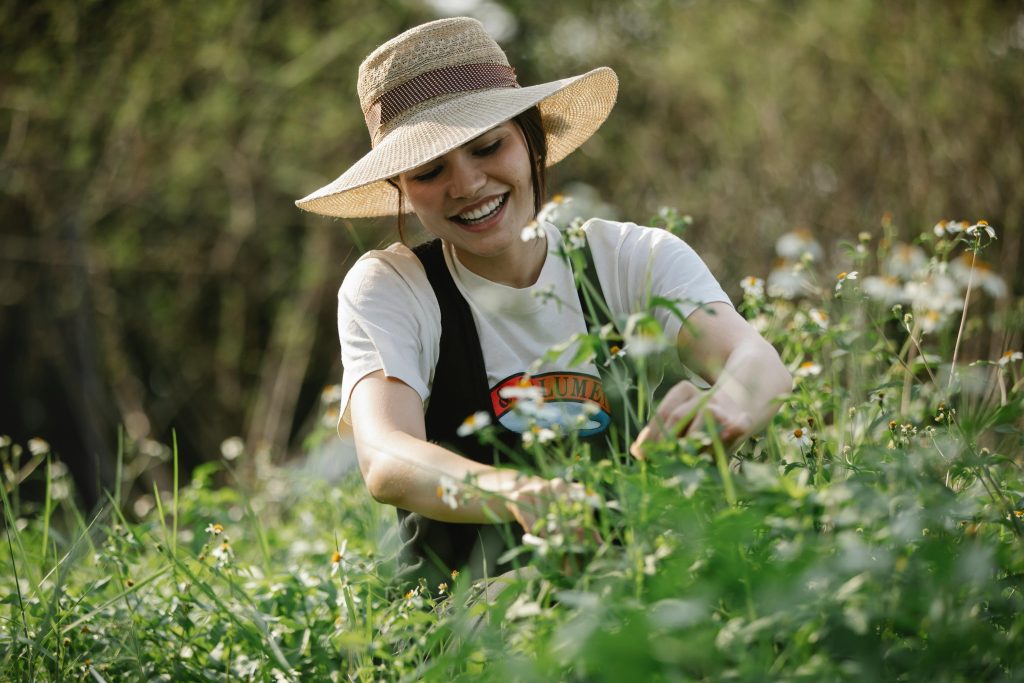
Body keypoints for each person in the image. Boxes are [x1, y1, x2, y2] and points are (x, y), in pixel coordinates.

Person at [296, 17, 792, 589]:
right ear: (401, 189)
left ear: (531, 137)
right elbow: (385, 456)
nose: (466, 185)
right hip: (464, 620)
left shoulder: (629, 258)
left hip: (635, 591)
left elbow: (761, 366)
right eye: (430, 171)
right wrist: (514, 492)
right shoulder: (392, 286)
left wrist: (726, 406)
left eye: (487, 147)